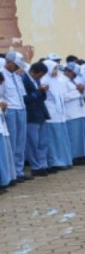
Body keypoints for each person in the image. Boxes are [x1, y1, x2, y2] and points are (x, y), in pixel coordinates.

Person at [41, 58, 73, 171]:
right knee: (53, 139)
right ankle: (55, 162)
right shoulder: (44, 80)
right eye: (54, 68)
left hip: (60, 114)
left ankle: (65, 160)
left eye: (56, 68)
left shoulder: (57, 80)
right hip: (51, 114)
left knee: (62, 138)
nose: (56, 71)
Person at [1, 51, 28, 181]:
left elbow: (22, 95)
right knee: (12, 142)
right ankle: (12, 174)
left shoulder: (17, 76)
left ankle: (19, 171)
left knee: (21, 142)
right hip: (10, 110)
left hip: (21, 109)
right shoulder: (2, 76)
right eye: (16, 65)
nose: (17, 67)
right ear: (9, 62)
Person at [62, 63, 85, 163]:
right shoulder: (62, 81)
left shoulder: (72, 81)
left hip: (79, 112)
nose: (74, 76)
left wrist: (80, 90)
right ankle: (75, 157)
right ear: (68, 71)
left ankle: (83, 154)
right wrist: (78, 91)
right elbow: (64, 97)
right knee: (73, 137)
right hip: (71, 113)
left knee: (81, 136)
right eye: (73, 74)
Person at [24, 61, 50, 174]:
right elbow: (26, 99)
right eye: (41, 74)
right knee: (32, 142)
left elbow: (42, 97)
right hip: (31, 115)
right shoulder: (24, 79)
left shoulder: (37, 80)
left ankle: (43, 164)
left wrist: (43, 91)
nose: (42, 77)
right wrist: (38, 91)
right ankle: (35, 166)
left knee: (43, 141)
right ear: (36, 72)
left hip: (41, 113)